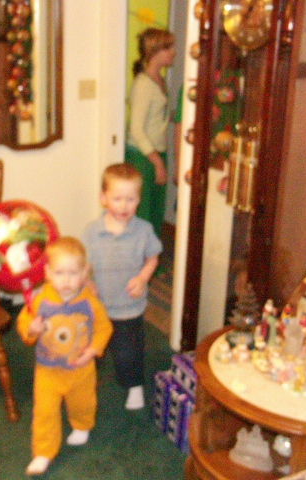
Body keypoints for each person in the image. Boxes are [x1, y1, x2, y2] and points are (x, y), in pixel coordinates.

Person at [17, 236, 113, 476]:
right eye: (59, 273)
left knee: (83, 403)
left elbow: (104, 327)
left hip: (81, 369)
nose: (67, 280)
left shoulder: (89, 302)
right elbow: (24, 319)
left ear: (85, 273)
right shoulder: (41, 298)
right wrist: (31, 329)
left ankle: (82, 426)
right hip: (48, 370)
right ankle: (43, 452)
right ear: (48, 273)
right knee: (44, 411)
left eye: (73, 273)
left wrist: (93, 350)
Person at [82, 163, 162, 410]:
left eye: (131, 199)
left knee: (129, 352)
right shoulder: (92, 232)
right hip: (99, 306)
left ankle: (134, 385)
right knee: (92, 348)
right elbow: (85, 263)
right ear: (103, 198)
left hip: (129, 306)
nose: (124, 206)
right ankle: (86, 385)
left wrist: (143, 278)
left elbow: (153, 257)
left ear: (139, 199)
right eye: (117, 199)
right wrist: (87, 281)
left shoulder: (144, 231)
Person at [126, 27, 177, 239]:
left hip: (156, 153)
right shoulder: (143, 84)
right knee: (143, 215)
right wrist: (157, 163)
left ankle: (151, 255)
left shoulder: (159, 80)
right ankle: (141, 257)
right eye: (169, 47)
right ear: (155, 51)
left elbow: (157, 117)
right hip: (143, 157)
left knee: (155, 213)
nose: (174, 52)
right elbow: (136, 129)